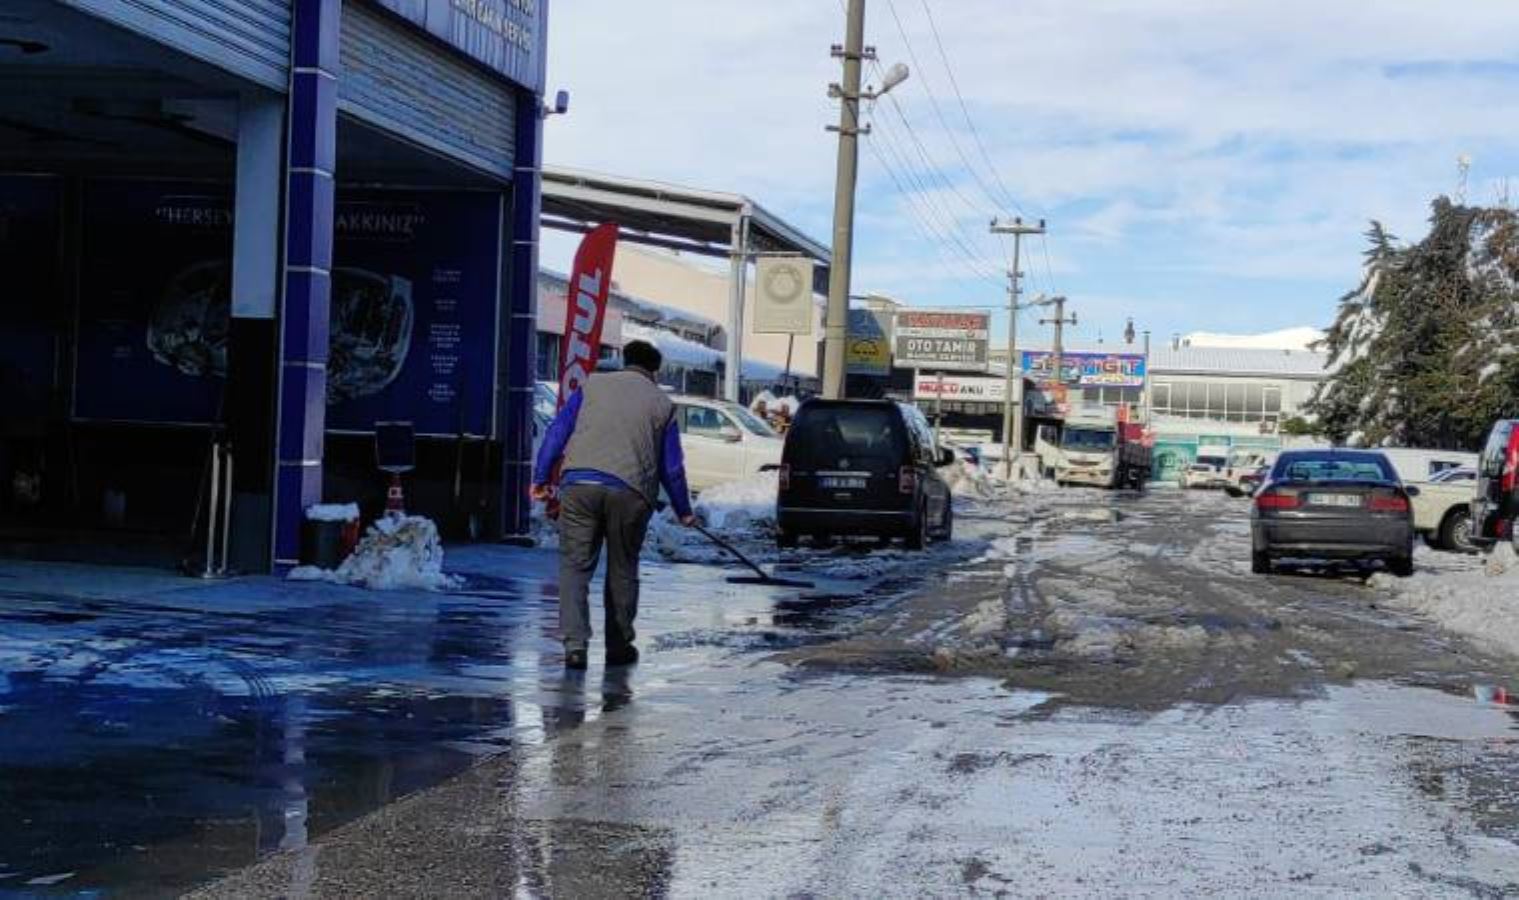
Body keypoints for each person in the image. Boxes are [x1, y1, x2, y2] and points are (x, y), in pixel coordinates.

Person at [531, 340, 695, 671]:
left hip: (579, 485)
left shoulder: (592, 385)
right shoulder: (662, 404)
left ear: (624, 361)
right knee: (622, 567)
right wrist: (683, 509)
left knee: (575, 566)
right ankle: (618, 646)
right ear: (654, 371)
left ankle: (575, 647)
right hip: (631, 491)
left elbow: (557, 430)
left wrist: (540, 475)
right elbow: (672, 468)